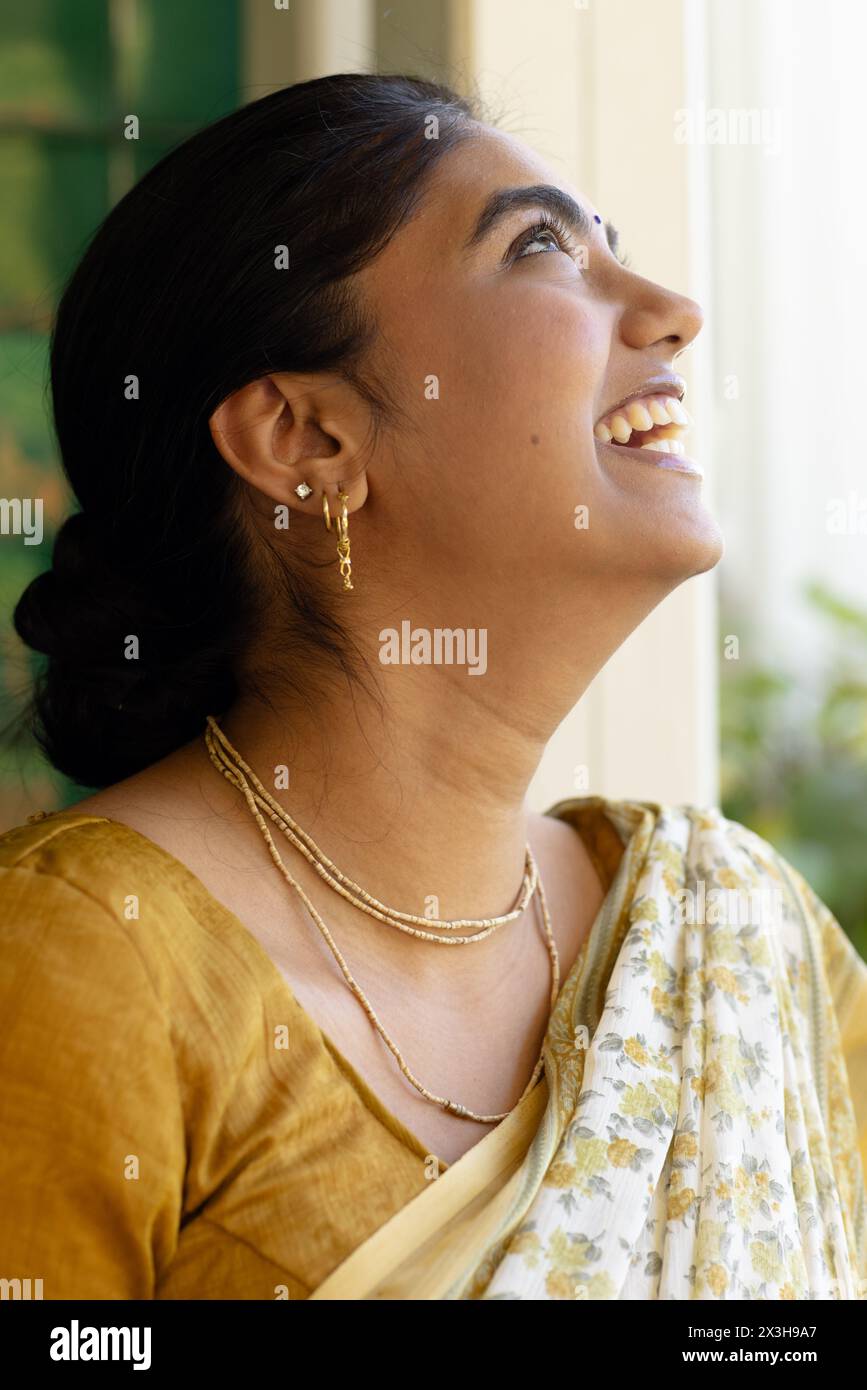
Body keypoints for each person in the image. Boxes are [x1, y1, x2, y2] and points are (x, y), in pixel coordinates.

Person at [0, 73, 864, 1301]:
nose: (672, 311)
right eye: (541, 246)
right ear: (307, 441)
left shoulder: (741, 946)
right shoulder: (86, 968)